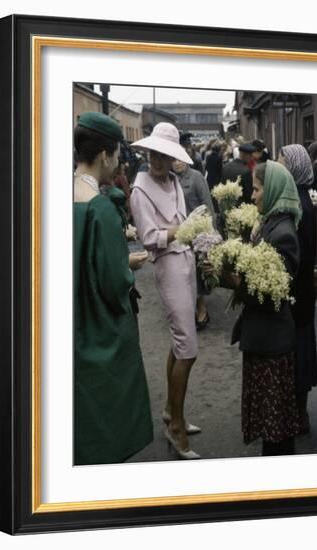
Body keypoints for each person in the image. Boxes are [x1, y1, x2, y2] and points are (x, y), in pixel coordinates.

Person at [73, 112, 153, 465]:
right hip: (98, 325)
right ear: (104, 155)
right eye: (118, 154)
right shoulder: (100, 209)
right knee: (106, 419)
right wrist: (128, 266)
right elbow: (113, 281)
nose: (119, 161)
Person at [130, 122, 201, 460]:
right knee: (188, 348)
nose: (158, 161)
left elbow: (185, 224)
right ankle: (176, 425)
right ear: (146, 153)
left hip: (186, 260)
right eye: (154, 154)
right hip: (168, 265)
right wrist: (178, 231)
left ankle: (172, 412)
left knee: (179, 340)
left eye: (165, 155)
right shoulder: (139, 190)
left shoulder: (175, 182)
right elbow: (148, 237)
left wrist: (197, 236)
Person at [227, 161, 302, 456]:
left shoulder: (282, 233)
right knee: (273, 426)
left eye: (257, 189)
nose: (252, 196)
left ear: (272, 191)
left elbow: (271, 295)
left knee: (277, 431)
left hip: (272, 342)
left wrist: (233, 280)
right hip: (265, 339)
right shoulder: (271, 222)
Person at [278, 144, 317, 434]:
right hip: (299, 293)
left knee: (300, 352)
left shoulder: (301, 206)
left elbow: (300, 256)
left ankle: (299, 415)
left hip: (299, 294)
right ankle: (296, 412)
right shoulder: (298, 199)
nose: (278, 165)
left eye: (282, 162)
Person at [172, 158, 216, 330]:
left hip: (197, 232)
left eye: (179, 160)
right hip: (178, 233)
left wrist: (211, 233)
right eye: (173, 160)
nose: (176, 163)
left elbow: (208, 204)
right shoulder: (171, 179)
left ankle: (201, 308)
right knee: (184, 273)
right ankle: (190, 309)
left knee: (197, 271)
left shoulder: (196, 177)